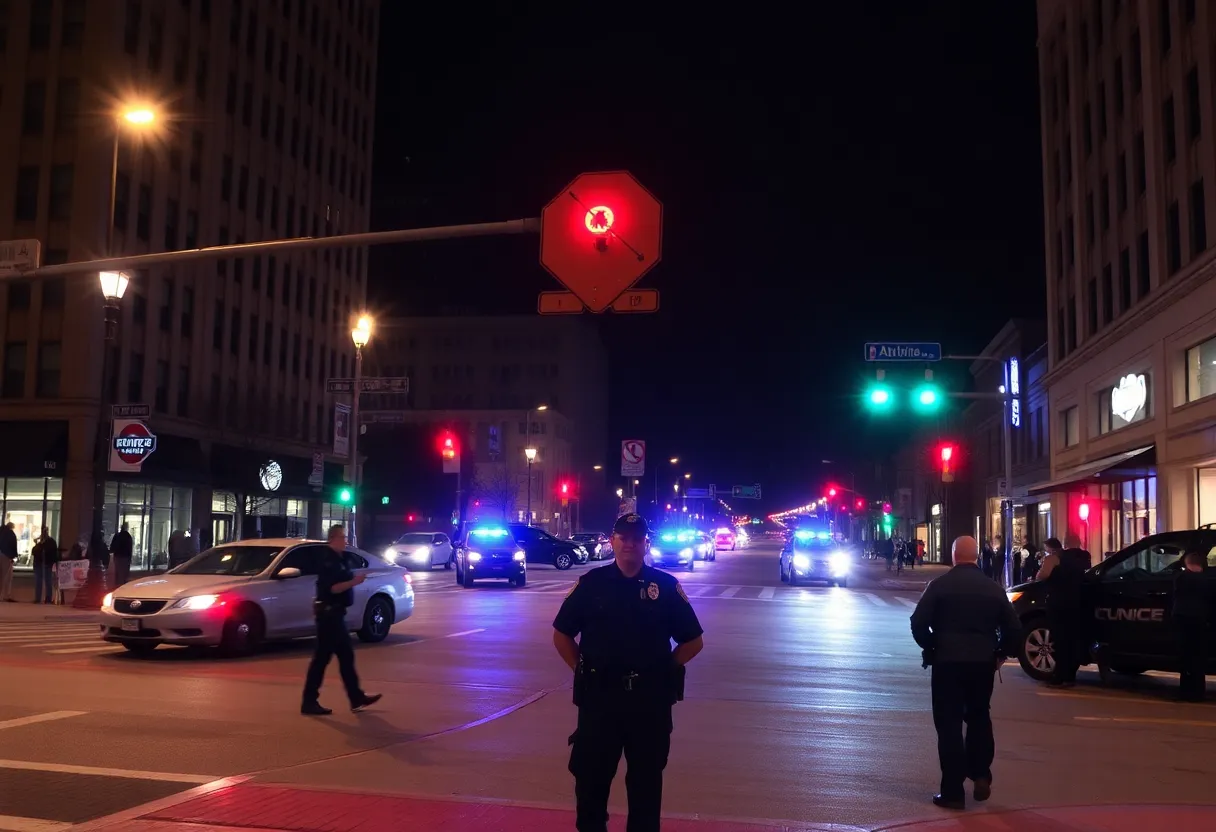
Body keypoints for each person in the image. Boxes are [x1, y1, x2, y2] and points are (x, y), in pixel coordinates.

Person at [553, 513, 704, 832]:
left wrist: (666, 668)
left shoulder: (664, 587)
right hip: (601, 701)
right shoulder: (591, 584)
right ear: (613, 541)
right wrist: (581, 668)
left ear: (645, 543)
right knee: (591, 783)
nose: (630, 544)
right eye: (623, 537)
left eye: (637, 538)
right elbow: (562, 634)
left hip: (648, 703)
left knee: (646, 788)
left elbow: (693, 640)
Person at [910, 535, 1021, 811]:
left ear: (954, 555)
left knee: (949, 725)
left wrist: (932, 645)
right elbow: (1014, 629)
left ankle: (953, 792)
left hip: (947, 663)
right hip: (982, 663)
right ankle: (981, 773)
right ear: (977, 557)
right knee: (979, 716)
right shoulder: (993, 589)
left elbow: (918, 623)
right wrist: (1000, 653)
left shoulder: (939, 586)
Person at [301, 525, 381, 715]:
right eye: (342, 537)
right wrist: (354, 582)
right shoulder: (329, 561)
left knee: (344, 657)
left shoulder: (339, 559)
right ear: (333, 538)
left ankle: (355, 697)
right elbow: (333, 588)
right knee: (323, 660)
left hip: (336, 615)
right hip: (329, 616)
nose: (345, 540)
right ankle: (310, 701)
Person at [1042, 534, 1088, 687]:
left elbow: (1042, 575)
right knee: (1073, 639)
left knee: (1059, 640)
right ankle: (1070, 674)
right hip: (1077, 602)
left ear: (1065, 543)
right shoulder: (1085, 558)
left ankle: (1059, 675)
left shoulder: (1056, 558)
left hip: (1058, 603)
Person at [1173, 550, 1209, 702]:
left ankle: (1186, 692)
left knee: (1185, 658)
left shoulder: (1181, 578)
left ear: (1187, 563)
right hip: (1201, 621)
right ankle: (1199, 692)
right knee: (1199, 658)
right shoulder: (1208, 580)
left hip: (1184, 621)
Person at [32, 526, 58, 604]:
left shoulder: (50, 542)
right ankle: (38, 598)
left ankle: (48, 598)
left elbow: (53, 553)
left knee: (47, 581)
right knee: (39, 581)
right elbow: (34, 552)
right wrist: (37, 543)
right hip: (39, 564)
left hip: (47, 564)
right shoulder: (40, 543)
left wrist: (53, 562)